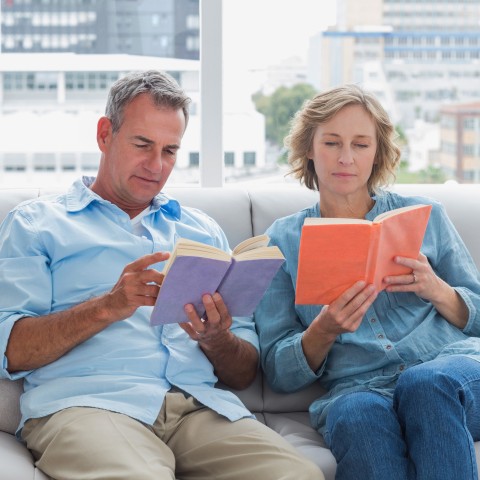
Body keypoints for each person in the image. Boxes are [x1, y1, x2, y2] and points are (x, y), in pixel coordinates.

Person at [0, 70, 323, 480]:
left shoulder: (202, 232)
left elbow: (242, 374)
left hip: (198, 408)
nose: (156, 166)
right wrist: (108, 306)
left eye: (170, 150)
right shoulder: (36, 224)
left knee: (299, 476)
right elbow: (12, 351)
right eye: (142, 145)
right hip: (89, 405)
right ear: (104, 134)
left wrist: (216, 338)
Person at [255, 84, 480, 480]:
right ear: (309, 147)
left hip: (449, 372)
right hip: (359, 387)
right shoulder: (282, 241)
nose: (345, 158)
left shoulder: (428, 216)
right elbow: (277, 371)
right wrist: (322, 332)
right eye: (332, 143)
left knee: (424, 384)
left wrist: (438, 290)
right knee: (357, 415)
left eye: (360, 144)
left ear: (376, 153)